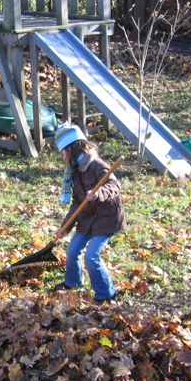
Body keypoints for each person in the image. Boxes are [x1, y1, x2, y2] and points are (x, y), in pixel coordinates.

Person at [53, 123, 126, 301]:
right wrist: (65, 227)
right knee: (72, 251)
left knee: (91, 256)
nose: (62, 158)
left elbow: (114, 185)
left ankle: (106, 294)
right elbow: (77, 203)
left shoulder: (97, 165)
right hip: (88, 219)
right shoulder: (74, 171)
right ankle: (73, 282)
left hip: (107, 218)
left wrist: (98, 193)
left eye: (62, 154)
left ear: (70, 149)